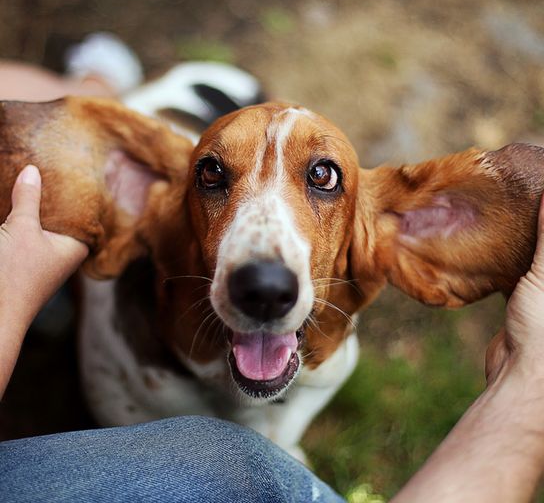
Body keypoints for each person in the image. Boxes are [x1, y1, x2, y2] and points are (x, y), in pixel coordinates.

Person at [1, 61, 544, 502]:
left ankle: (100, 75)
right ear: (158, 203)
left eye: (322, 177)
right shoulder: (114, 374)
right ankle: (101, 78)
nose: (264, 276)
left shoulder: (374, 248)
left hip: (214, 83)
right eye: (215, 176)